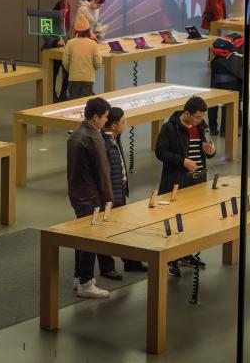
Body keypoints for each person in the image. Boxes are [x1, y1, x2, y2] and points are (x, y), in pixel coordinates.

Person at [155, 96, 215, 276]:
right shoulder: (170, 128)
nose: (200, 120)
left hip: (198, 180)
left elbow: (208, 148)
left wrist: (211, 152)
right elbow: (160, 152)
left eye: (202, 116)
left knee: (193, 219)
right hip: (177, 180)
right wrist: (182, 161)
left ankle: (187, 253)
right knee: (174, 220)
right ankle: (172, 259)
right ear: (187, 113)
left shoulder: (202, 126)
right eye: (197, 117)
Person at [66, 97, 113, 298]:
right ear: (95, 117)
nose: (106, 122)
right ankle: (85, 281)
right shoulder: (94, 138)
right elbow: (102, 171)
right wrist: (109, 199)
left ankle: (79, 276)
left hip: (77, 193)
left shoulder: (76, 133)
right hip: (91, 196)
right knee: (91, 238)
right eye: (105, 118)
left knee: (81, 236)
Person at [97, 107, 147, 278]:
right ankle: (106, 267)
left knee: (123, 229)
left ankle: (130, 262)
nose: (126, 124)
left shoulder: (115, 139)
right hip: (109, 196)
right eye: (123, 122)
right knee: (105, 232)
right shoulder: (103, 143)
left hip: (119, 192)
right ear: (113, 125)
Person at [208, 33, 243, 136]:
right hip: (229, 76)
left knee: (214, 101)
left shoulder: (216, 53)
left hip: (217, 73)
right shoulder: (243, 43)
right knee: (229, 101)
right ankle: (226, 130)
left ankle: (213, 128)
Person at [62, 14, 102, 99]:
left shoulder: (70, 43)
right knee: (85, 103)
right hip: (88, 78)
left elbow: (65, 62)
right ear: (88, 30)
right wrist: (91, 70)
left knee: (73, 103)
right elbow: (98, 62)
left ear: (76, 31)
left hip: (73, 78)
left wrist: (71, 70)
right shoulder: (93, 44)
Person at [43, 0, 71, 102]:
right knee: (53, 73)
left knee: (68, 70)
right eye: (63, 11)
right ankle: (52, 94)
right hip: (51, 49)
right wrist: (56, 41)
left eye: (67, 11)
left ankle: (63, 93)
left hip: (63, 50)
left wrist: (67, 41)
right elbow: (45, 35)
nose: (65, 13)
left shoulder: (64, 19)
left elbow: (65, 35)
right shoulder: (47, 18)